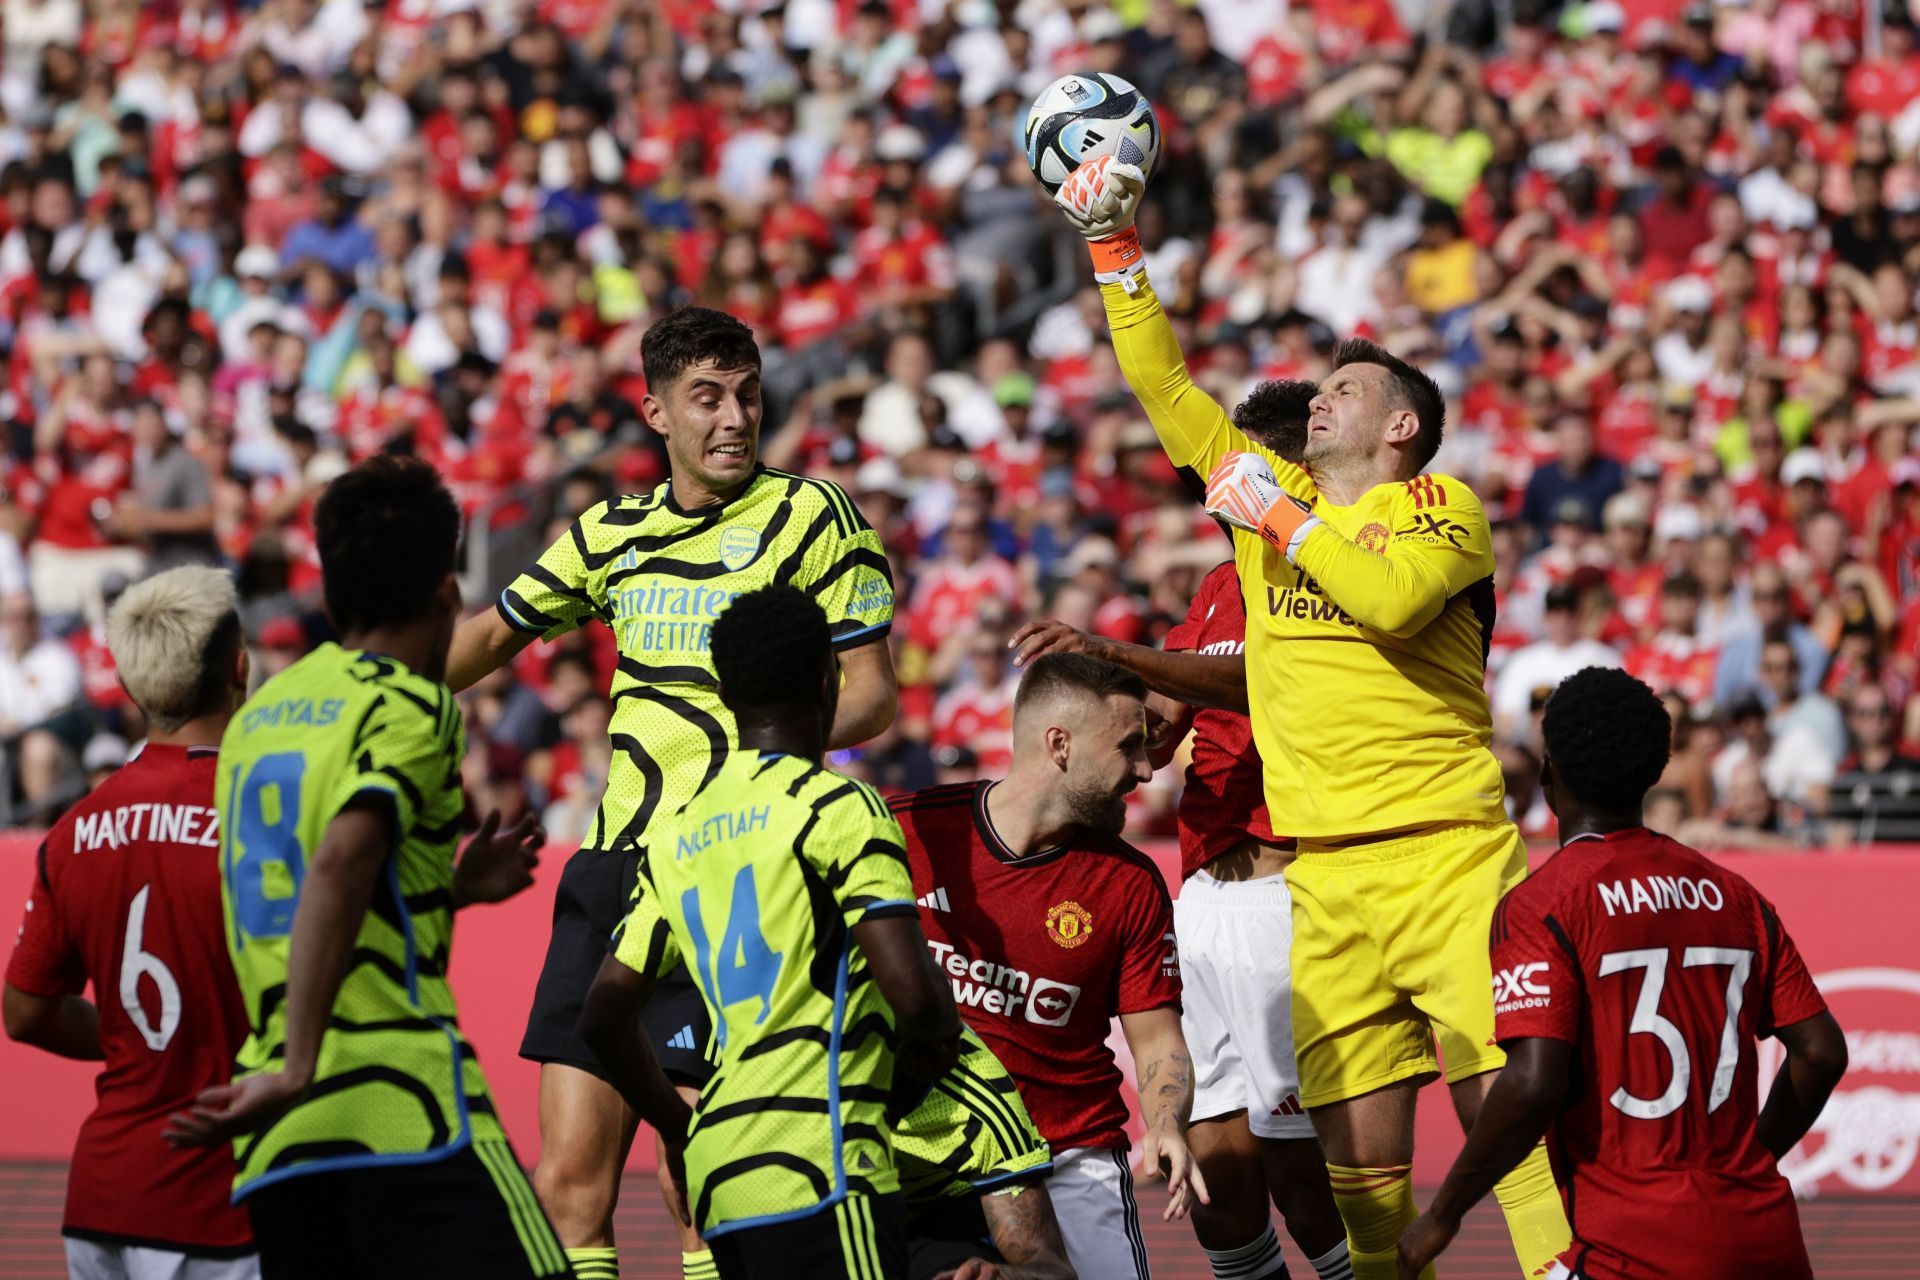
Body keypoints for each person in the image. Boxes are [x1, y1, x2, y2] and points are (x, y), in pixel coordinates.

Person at [1050, 154, 1569, 1279]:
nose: (1321, 394)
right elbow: (1164, 388)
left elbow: (1381, 599)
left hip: (1450, 859)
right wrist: (1113, 244)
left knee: (1515, 1127)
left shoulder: (1440, 507)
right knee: (1359, 1184)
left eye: (1351, 388)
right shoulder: (1263, 505)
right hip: (1323, 883)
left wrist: (1279, 513)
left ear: (1401, 429)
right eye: (1323, 387)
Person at [444, 306, 900, 1280]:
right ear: (655, 410)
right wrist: (363, 683)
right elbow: (484, 638)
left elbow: (870, 695)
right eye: (708, 396)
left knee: (696, 1178)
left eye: (748, 392)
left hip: (735, 869)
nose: (735, 416)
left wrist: (744, 760)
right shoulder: (611, 530)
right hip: (612, 870)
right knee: (569, 1181)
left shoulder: (814, 515)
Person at [164, 458, 566, 1279]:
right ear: (447, 597)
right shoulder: (413, 706)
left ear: (332, 595)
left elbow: (288, 884)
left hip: (277, 1134)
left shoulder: (259, 717)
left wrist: (448, 885)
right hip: (400, 1102)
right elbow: (342, 860)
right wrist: (303, 1059)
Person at [1003, 382, 1349, 1280]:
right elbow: (1165, 715)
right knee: (1216, 1176)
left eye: (1232, 468)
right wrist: (1084, 717)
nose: (1214, 486)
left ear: (1288, 474)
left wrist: (1117, 651)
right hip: (1201, 894)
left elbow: (1250, 684)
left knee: (1303, 1177)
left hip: (1290, 896)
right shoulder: (1219, 583)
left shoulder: (1333, 576)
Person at [1399, 667, 1849, 1279]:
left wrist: (1442, 1216)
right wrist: (1751, 1158)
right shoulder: (1735, 895)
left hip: (1633, 1251)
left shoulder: (1543, 904)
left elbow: (1533, 1084)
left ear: (1551, 770)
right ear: (1654, 771)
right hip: (1765, 1239)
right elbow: (1821, 1052)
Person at [577, 585, 961, 1280]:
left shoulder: (679, 833)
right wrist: (935, 1031)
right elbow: (917, 1000)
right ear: (828, 679)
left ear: (724, 691)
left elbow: (603, 1014)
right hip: (824, 1156)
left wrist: (673, 1122)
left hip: (722, 1172)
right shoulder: (839, 805)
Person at [890, 652, 1207, 1280]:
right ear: (1059, 744)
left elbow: (1159, 1041)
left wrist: (1166, 1122)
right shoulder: (911, 831)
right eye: (1128, 748)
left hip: (1071, 1156)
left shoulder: (1130, 882)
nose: (1146, 769)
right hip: (920, 1147)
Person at [3, 567, 257, 1280]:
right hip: (225, 1205)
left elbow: (24, 1013)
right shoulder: (266, 816)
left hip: (102, 1198)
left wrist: (131, 1040)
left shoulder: (74, 829)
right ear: (240, 667)